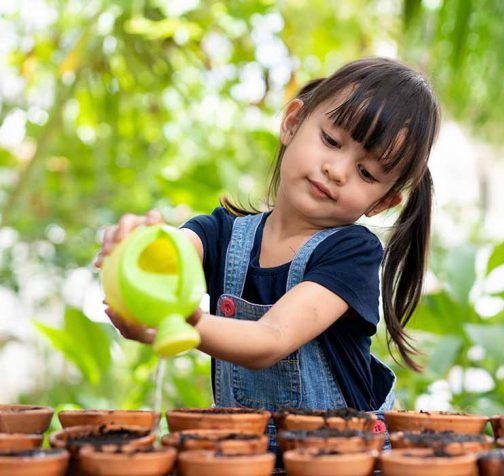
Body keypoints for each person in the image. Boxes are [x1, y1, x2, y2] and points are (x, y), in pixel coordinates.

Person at [96, 57, 440, 449]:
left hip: (338, 460)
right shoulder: (220, 234)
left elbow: (271, 338)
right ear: (293, 122)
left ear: (382, 202)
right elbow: (171, 253)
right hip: (247, 454)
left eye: (366, 173)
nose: (337, 170)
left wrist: (183, 324)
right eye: (331, 140)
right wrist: (136, 244)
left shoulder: (352, 253)